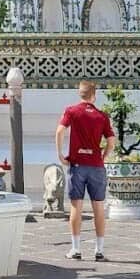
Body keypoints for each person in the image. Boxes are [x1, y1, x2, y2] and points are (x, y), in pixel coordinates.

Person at [55, 80, 116, 261]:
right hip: (96, 165)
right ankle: (99, 250)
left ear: (80, 94)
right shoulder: (102, 116)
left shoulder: (72, 111)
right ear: (94, 95)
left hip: (78, 165)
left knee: (76, 206)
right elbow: (111, 141)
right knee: (98, 207)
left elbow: (59, 131)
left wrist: (60, 155)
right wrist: (103, 156)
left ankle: (76, 249)